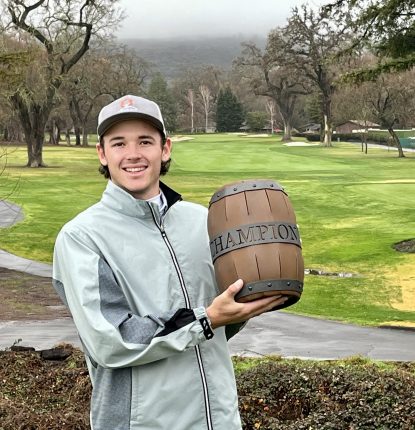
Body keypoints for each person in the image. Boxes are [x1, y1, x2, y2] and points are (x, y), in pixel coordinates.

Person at [52, 95, 286, 430]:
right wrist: (204, 321)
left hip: (218, 420)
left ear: (165, 149)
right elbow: (112, 340)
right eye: (119, 143)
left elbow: (224, 317)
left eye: (145, 141)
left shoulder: (202, 221)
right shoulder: (81, 238)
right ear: (102, 153)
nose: (133, 154)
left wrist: (256, 290)